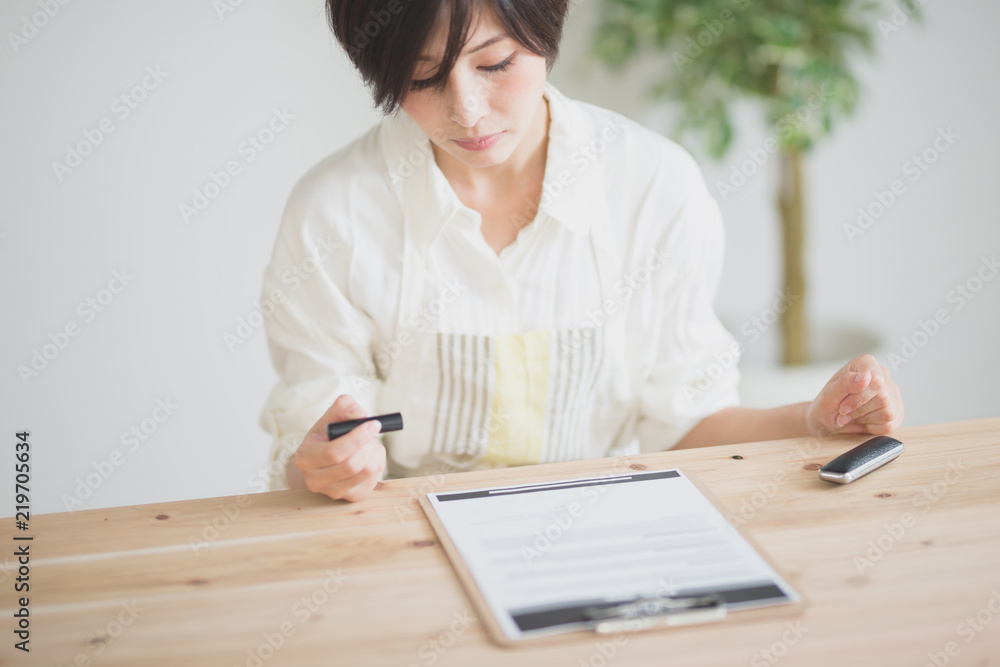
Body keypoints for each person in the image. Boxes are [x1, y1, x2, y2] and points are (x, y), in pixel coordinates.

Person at [258, 0, 904, 502]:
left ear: (545, 28)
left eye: (494, 63)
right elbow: (314, 437)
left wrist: (813, 421)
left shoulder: (651, 186)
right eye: (423, 76)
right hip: (405, 550)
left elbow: (688, 424)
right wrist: (327, 462)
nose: (468, 111)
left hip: (600, 538)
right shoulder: (335, 213)